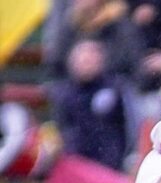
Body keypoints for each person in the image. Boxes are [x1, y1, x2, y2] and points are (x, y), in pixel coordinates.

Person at [50, 38, 133, 171]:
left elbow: (130, 126)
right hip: (76, 165)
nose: (86, 62)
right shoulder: (63, 94)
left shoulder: (117, 88)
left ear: (101, 60)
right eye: (82, 59)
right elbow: (61, 129)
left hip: (111, 166)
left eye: (91, 58)